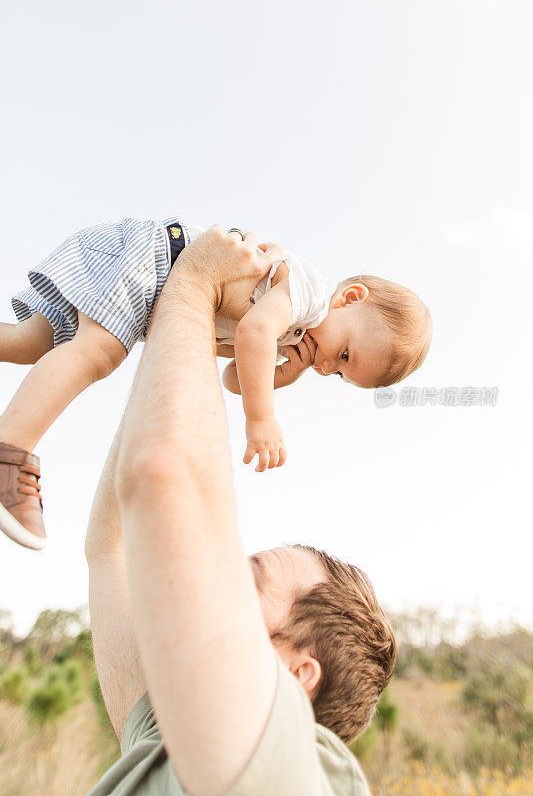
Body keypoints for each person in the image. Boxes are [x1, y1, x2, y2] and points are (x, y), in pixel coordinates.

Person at [83, 227, 397, 796]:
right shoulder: (166, 742)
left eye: (246, 579)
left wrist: (195, 283)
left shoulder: (286, 771)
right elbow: (112, 548)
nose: (212, 574)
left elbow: (164, 477)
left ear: (298, 675)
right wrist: (184, 328)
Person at [0, 216, 431, 549]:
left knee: (33, 344)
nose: (326, 367)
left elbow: (231, 376)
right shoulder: (310, 294)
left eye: (338, 374)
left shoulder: (290, 337)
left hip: (149, 269)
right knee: (98, 352)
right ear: (350, 298)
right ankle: (10, 453)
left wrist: (285, 374)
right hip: (156, 257)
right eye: (344, 355)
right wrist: (261, 419)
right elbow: (252, 334)